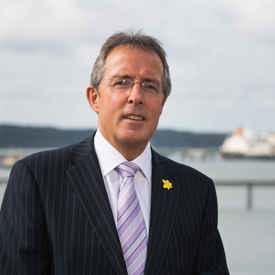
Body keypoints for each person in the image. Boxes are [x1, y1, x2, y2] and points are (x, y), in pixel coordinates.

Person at [0, 31, 230, 275]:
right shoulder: (37, 178)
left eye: (150, 86)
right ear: (94, 98)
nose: (136, 96)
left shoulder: (195, 190)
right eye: (122, 82)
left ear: (162, 104)